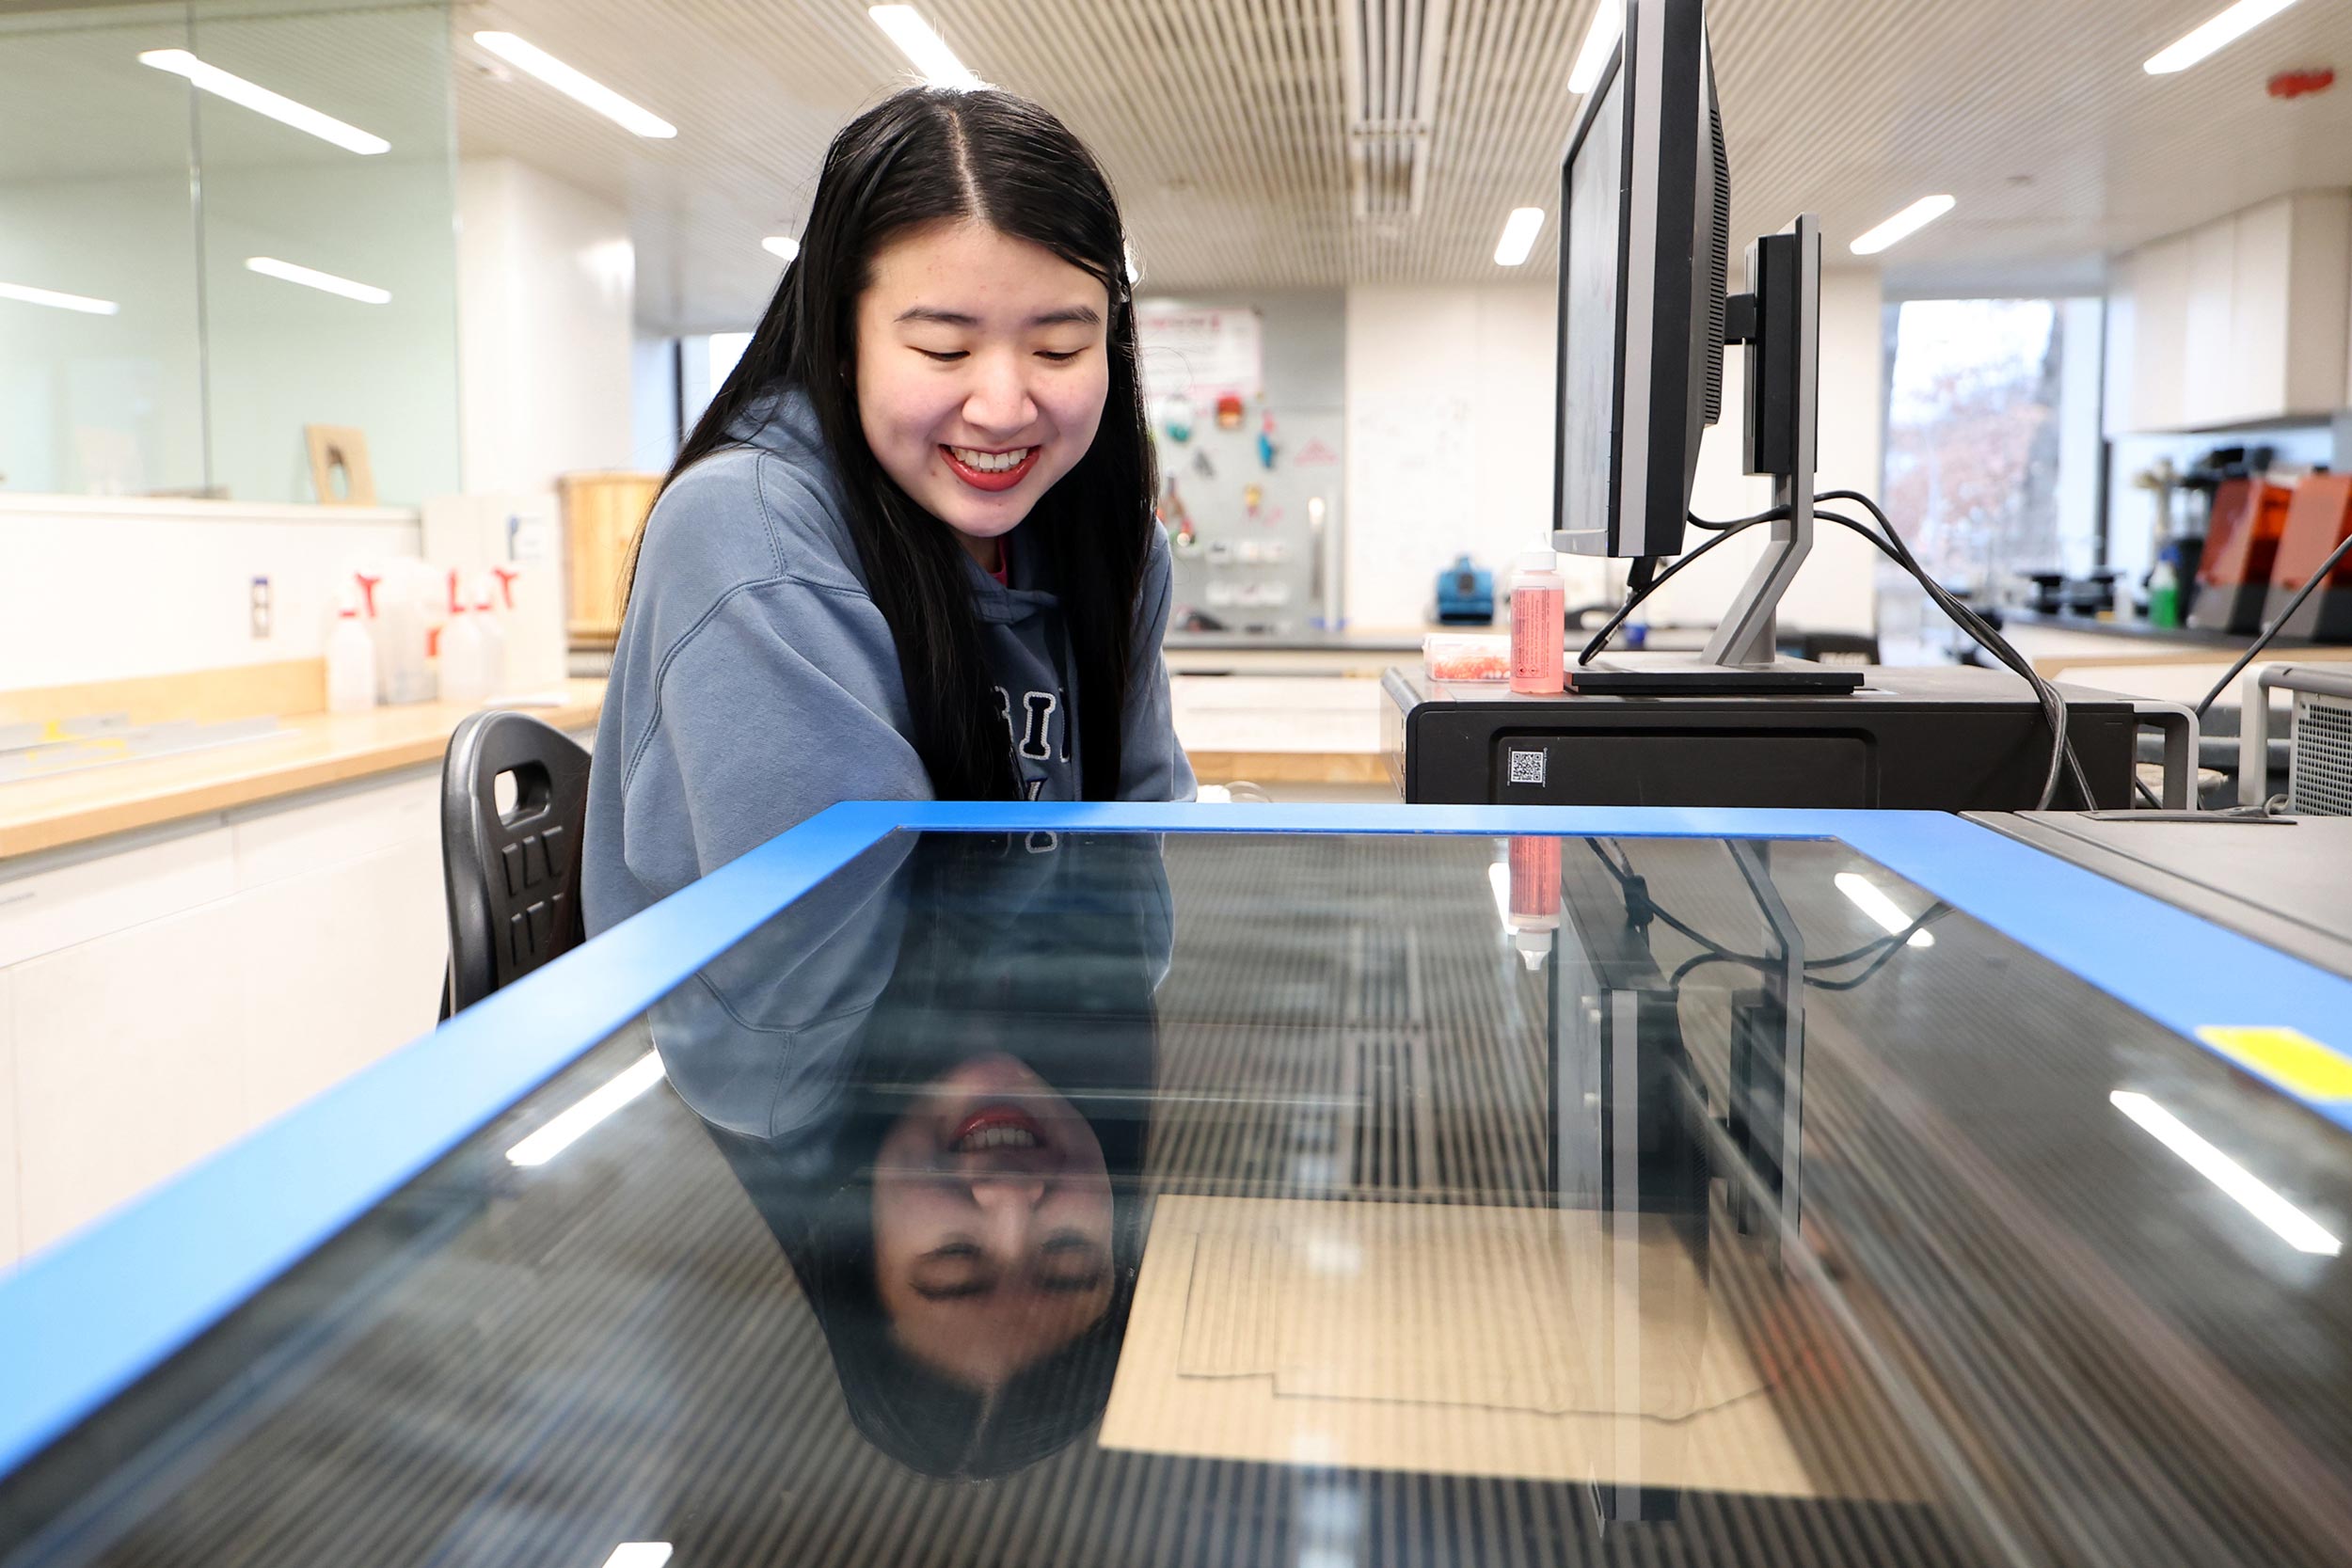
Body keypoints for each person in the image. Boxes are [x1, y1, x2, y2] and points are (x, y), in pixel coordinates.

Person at [583, 86, 1194, 936]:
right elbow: (830, 956)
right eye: (945, 348)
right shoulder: (749, 534)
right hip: (802, 1054)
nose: (1004, 405)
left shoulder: (1108, 538)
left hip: (1027, 1034)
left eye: (1060, 347)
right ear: (840, 342)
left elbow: (1138, 853)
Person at [653, 830, 1173, 1478]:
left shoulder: (771, 1030)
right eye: (1068, 1258)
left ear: (858, 1242)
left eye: (955, 1258)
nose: (1011, 1198)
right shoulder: (1129, 963)